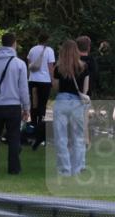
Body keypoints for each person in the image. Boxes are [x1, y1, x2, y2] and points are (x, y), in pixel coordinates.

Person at [0, 32, 30, 175]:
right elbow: (23, 89)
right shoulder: (19, 64)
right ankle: (14, 169)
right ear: (14, 43)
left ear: (1, 43)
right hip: (13, 105)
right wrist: (26, 108)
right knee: (14, 138)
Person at [51, 39, 89, 176]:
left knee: (61, 137)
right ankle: (77, 169)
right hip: (77, 103)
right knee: (78, 138)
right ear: (76, 51)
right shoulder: (84, 67)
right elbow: (85, 90)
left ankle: (64, 170)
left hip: (61, 102)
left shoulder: (58, 67)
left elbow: (55, 87)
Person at [26, 32, 56, 149]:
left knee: (34, 105)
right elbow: (50, 67)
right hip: (44, 81)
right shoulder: (49, 51)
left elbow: (29, 65)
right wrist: (52, 80)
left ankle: (32, 127)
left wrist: (29, 78)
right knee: (42, 105)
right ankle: (40, 128)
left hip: (33, 80)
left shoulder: (32, 50)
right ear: (47, 40)